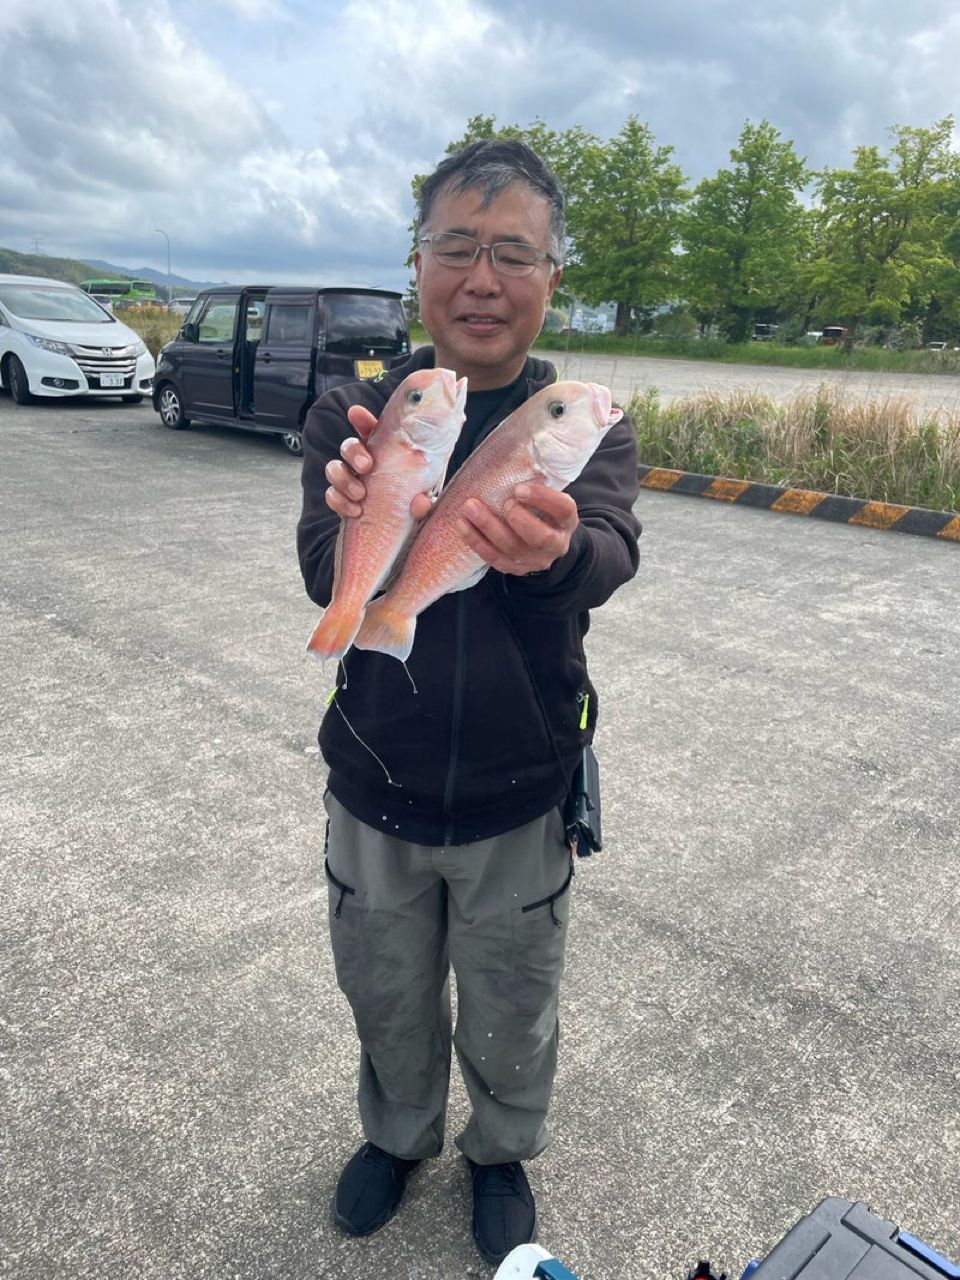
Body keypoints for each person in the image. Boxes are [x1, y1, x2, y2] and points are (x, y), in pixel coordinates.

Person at [297, 138, 641, 1266]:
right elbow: (321, 568)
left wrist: (547, 558)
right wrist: (364, 515)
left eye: (513, 253)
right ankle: (397, 1135)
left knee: (511, 992)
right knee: (386, 983)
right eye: (457, 246)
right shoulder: (362, 409)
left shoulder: (578, 420)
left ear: (550, 276)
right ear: (418, 263)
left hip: (521, 788)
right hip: (374, 774)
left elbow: (606, 552)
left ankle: (500, 1149)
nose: (482, 279)